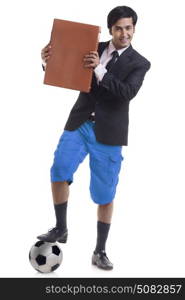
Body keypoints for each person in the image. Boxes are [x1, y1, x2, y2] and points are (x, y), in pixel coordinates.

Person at [37, 5, 151, 270]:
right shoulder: (92, 46)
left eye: (129, 28)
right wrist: (48, 60)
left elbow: (126, 92)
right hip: (80, 123)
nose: (125, 34)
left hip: (109, 133)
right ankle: (61, 229)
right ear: (110, 29)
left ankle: (100, 250)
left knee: (104, 195)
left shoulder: (140, 63)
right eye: (119, 28)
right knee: (59, 170)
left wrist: (99, 69)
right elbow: (65, 71)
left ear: (134, 28)